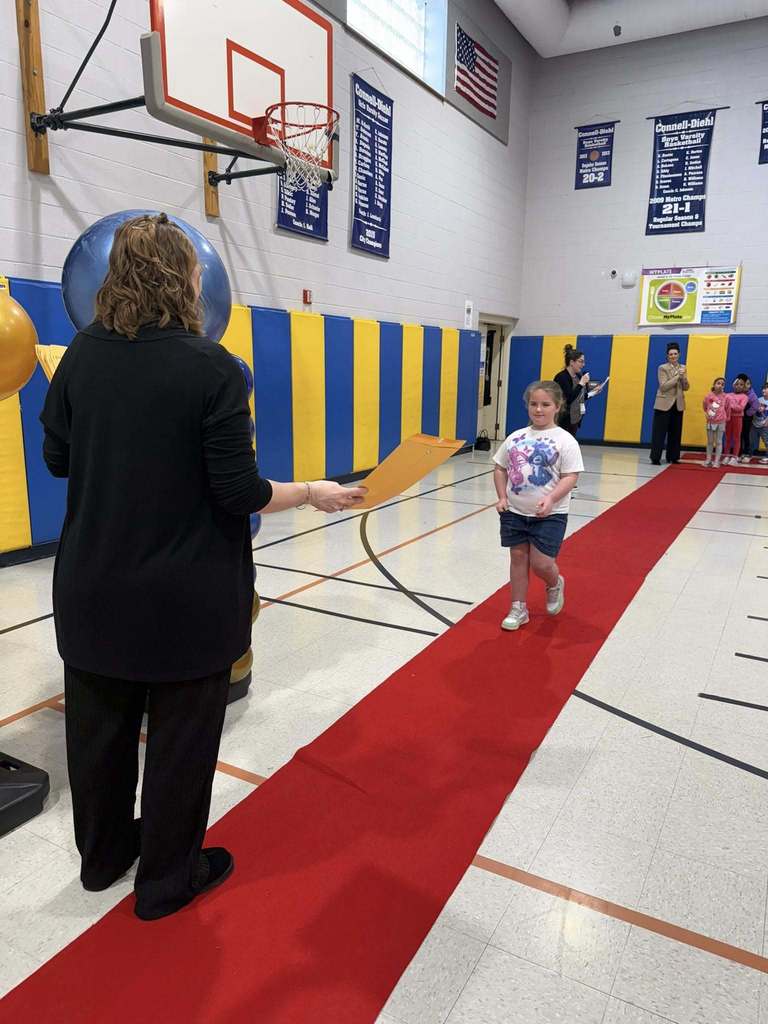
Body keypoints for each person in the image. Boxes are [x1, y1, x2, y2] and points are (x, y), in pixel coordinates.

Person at [40, 213, 366, 921]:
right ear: (184, 279)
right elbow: (239, 492)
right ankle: (166, 880)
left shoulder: (79, 357)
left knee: (98, 738)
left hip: (92, 588)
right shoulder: (212, 368)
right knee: (181, 744)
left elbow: (58, 459)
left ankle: (103, 859)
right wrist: (313, 491)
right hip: (186, 596)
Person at [493, 380, 584, 631]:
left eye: (545, 404)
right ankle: (518, 607)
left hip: (550, 514)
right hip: (514, 512)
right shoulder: (515, 437)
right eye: (534, 404)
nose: (539, 409)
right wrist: (502, 497)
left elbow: (570, 476)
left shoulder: (565, 440)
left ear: (557, 406)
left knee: (541, 563)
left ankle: (554, 583)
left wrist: (552, 498)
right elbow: (500, 468)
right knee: (518, 557)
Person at [650, 344, 689, 465]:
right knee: (659, 432)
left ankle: (673, 457)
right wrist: (678, 377)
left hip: (678, 403)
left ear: (679, 355)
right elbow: (664, 386)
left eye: (675, 354)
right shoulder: (662, 368)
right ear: (667, 356)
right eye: (671, 354)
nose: (673, 356)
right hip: (663, 403)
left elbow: (686, 387)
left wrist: (684, 378)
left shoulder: (683, 367)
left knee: (676, 432)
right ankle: (655, 457)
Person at [553, 344, 604, 436]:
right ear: (572, 362)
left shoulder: (578, 376)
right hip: (563, 420)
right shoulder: (561, 377)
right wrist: (581, 383)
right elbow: (569, 399)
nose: (583, 365)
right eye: (581, 361)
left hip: (575, 419)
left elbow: (580, 397)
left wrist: (593, 393)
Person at [723, 377, 749, 465]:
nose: (738, 386)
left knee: (736, 438)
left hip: (738, 418)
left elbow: (740, 408)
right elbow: (724, 406)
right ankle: (726, 455)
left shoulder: (744, 397)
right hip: (728, 418)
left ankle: (735, 457)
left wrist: (731, 405)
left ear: (744, 387)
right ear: (733, 385)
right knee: (727, 438)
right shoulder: (728, 395)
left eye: (741, 385)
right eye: (737, 384)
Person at [702, 377, 727, 468]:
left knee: (719, 442)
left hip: (721, 422)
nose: (720, 385)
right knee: (710, 441)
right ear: (714, 384)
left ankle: (717, 461)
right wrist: (708, 414)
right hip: (710, 421)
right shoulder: (708, 396)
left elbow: (727, 408)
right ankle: (708, 459)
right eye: (718, 383)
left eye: (722, 384)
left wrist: (724, 417)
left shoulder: (725, 396)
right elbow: (705, 406)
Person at [736, 374, 760, 464]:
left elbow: (756, 406)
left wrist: (747, 413)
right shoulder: (739, 393)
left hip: (747, 418)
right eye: (744, 384)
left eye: (748, 384)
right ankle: (739, 453)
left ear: (750, 385)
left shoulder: (752, 394)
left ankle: (747, 454)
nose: (746, 386)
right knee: (739, 435)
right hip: (739, 417)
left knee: (746, 435)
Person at [750, 382, 768, 465]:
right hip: (755, 424)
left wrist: (766, 422)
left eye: (766, 388)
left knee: (766, 441)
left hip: (764, 426)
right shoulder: (758, 399)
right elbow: (753, 411)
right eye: (763, 388)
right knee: (752, 441)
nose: (764, 390)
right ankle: (749, 454)